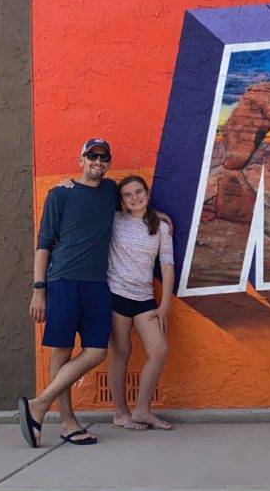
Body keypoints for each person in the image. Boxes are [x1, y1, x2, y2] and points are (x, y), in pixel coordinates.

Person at [20, 139, 121, 447]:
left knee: (97, 351)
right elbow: (44, 245)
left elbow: (135, 205)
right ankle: (67, 422)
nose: (98, 162)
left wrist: (160, 219)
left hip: (97, 285)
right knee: (61, 351)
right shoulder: (59, 194)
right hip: (63, 282)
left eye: (103, 157)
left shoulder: (111, 191)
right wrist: (39, 289)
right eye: (92, 156)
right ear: (81, 159)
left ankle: (39, 404)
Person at [108, 176, 175, 432]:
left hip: (145, 298)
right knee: (121, 352)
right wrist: (66, 184)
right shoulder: (115, 220)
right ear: (122, 201)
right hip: (117, 294)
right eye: (128, 195)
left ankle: (142, 410)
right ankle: (120, 413)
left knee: (159, 349)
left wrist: (165, 304)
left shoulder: (161, 227)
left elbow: (167, 265)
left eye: (139, 192)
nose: (134, 197)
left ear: (147, 194)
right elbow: (91, 203)